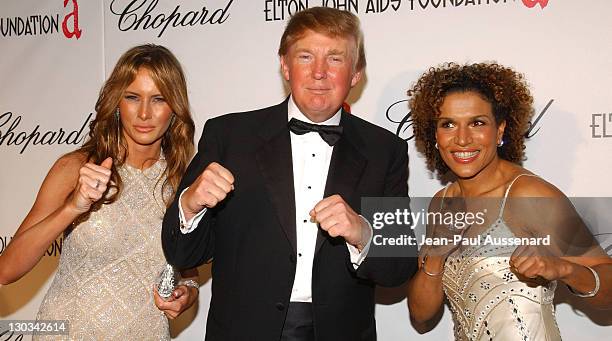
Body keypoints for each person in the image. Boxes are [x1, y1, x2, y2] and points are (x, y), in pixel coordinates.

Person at [161, 7, 417, 341]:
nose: (319, 73)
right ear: (285, 65)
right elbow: (183, 255)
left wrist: (362, 232)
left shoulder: (385, 151)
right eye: (306, 56)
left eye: (336, 59)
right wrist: (190, 205)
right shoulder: (229, 136)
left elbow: (398, 268)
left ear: (356, 73)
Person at [0, 44, 199, 340]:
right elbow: (7, 269)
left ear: (175, 108)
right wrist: (73, 206)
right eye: (132, 97)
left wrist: (187, 296)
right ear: (117, 102)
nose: (144, 113)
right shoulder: (76, 167)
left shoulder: (183, 183)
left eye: (158, 99)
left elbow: (189, 274)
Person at [406, 62, 612, 340]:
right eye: (449, 124)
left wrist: (562, 268)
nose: (463, 139)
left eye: (477, 123)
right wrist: (435, 259)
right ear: (435, 134)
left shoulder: (528, 195)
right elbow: (421, 316)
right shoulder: (441, 203)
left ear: (500, 130)